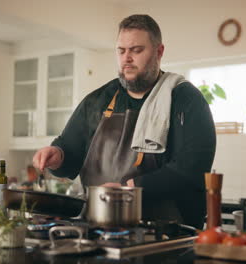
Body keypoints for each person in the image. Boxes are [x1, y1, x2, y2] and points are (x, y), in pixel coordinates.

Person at [32, 14, 216, 229]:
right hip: (100, 229)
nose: (127, 58)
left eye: (136, 50)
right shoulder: (98, 101)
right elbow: (69, 156)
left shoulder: (185, 100)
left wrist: (129, 189)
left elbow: (192, 168)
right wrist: (57, 157)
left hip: (169, 234)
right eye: (121, 51)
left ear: (159, 52)